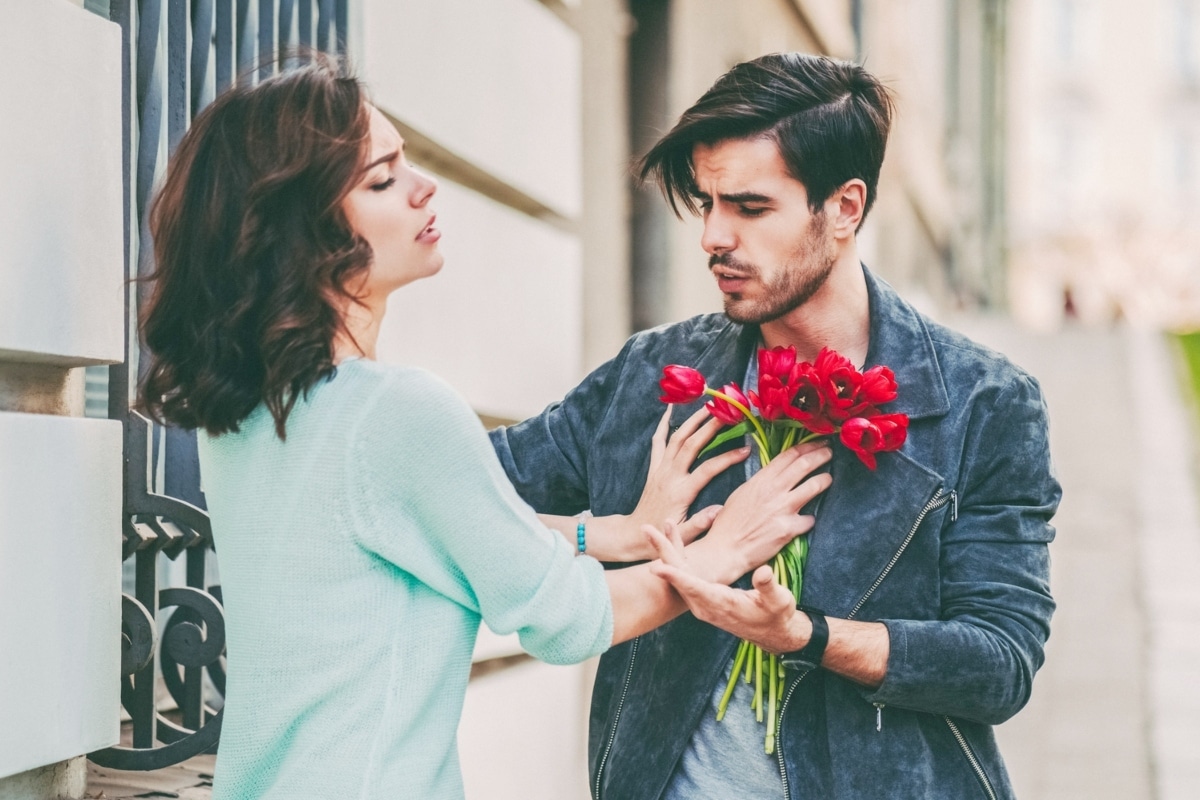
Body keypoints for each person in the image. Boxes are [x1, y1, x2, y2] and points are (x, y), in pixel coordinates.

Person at [136, 59, 833, 800]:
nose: (423, 186)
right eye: (382, 180)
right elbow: (566, 620)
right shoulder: (397, 412)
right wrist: (722, 553)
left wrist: (610, 534)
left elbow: (420, 533)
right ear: (302, 232)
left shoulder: (250, 411)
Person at [490, 52, 1060, 799]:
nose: (713, 236)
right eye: (706, 203)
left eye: (750, 208)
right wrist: (608, 535)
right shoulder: (651, 378)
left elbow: (1000, 664)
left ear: (845, 208)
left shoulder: (984, 402)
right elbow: (456, 501)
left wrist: (808, 637)